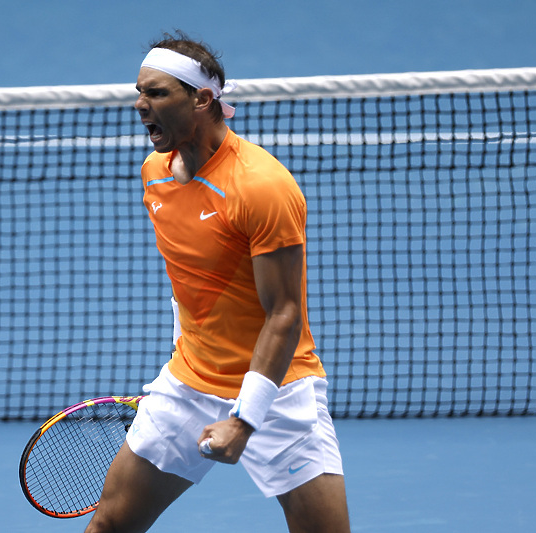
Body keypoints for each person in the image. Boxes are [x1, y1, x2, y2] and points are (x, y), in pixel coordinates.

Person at [85, 31, 350, 533]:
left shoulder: (261, 187)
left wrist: (245, 418)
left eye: (157, 93)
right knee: (109, 527)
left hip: (278, 391)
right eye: (139, 92)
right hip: (188, 386)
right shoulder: (154, 174)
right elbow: (190, 279)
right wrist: (189, 357)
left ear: (202, 99)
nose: (141, 106)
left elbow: (284, 313)